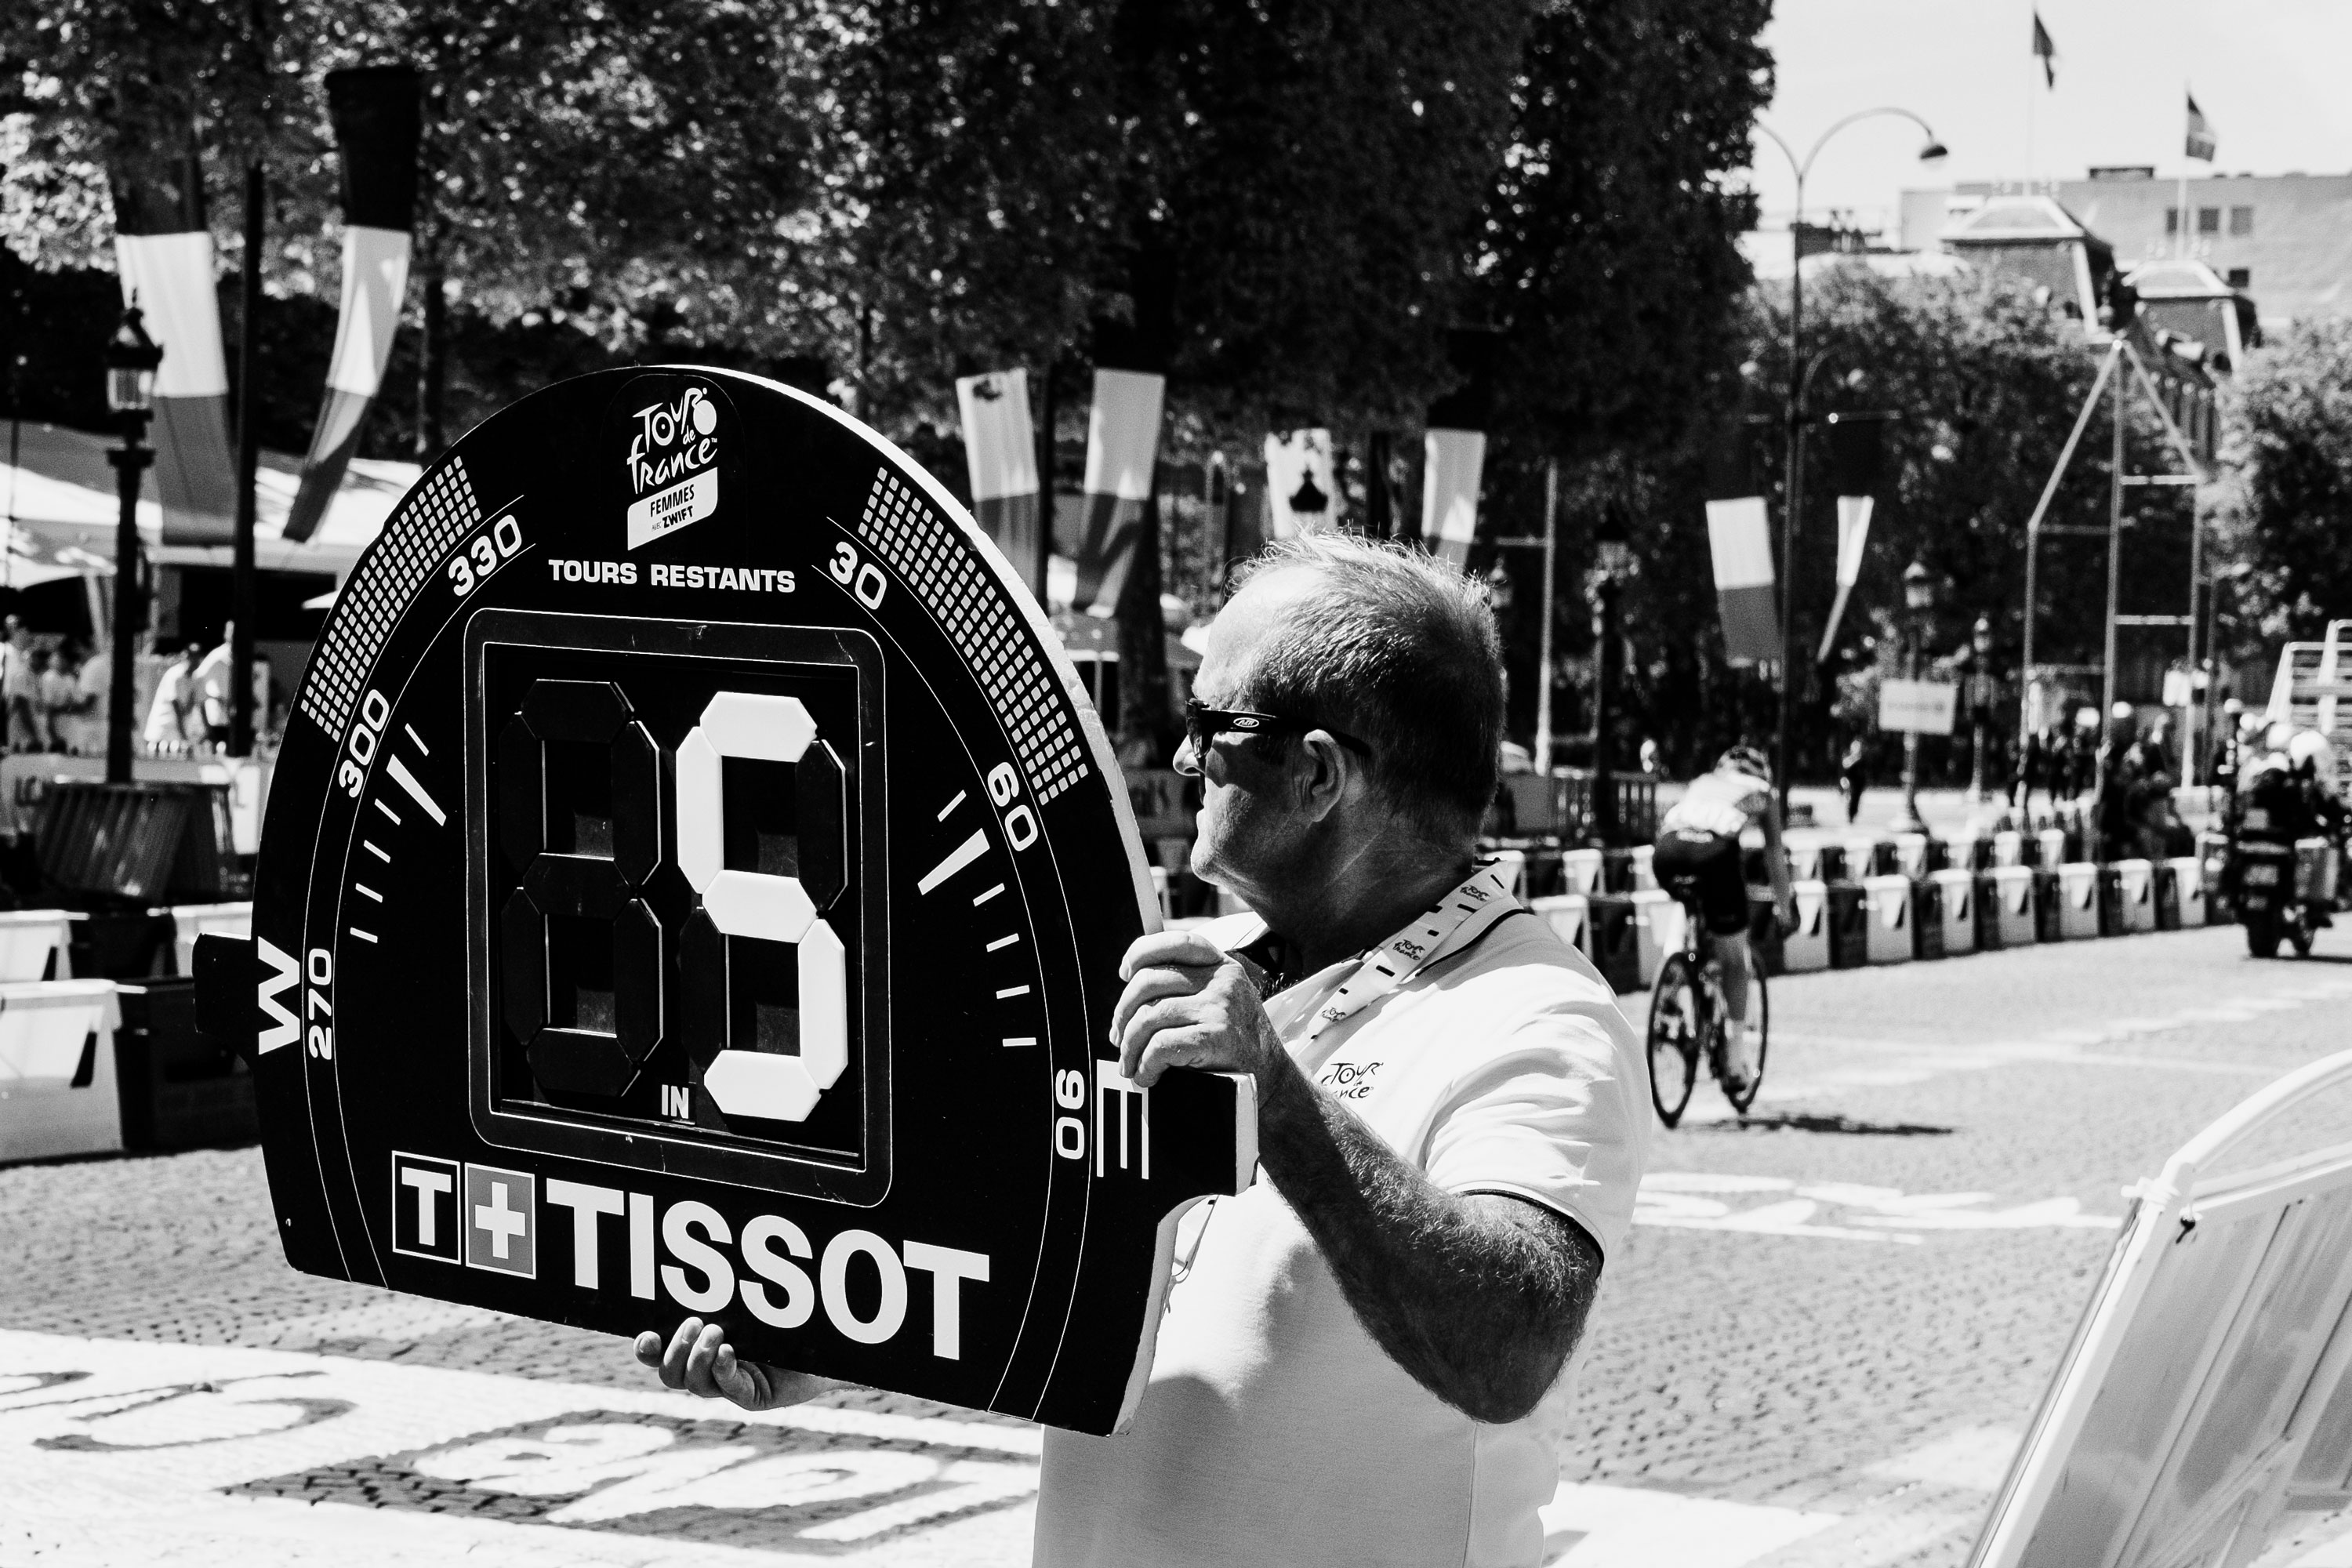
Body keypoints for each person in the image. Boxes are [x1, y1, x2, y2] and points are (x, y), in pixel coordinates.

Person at [636, 533, 1650, 1568]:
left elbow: (1507, 1353)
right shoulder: (1187, 968)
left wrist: (1280, 1103)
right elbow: (1018, 1260)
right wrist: (817, 1335)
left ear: (1316, 774)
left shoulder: (1535, 1013)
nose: (1182, 759)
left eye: (1214, 728)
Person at [1652, 746, 1793, 1093]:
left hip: (1667, 851)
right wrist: (1785, 908)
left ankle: (1670, 981)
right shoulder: (1763, 793)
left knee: (1686, 899)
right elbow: (1774, 854)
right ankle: (1734, 1061)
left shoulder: (1703, 781)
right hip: (1713, 854)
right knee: (1734, 959)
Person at [1837, 735, 1868, 825]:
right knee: (1851, 798)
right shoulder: (1848, 755)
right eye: (1856, 746)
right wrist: (1854, 758)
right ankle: (1850, 815)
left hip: (1859, 781)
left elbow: (1865, 770)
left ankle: (1854, 813)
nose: (1858, 748)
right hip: (1849, 780)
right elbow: (1845, 766)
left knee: (1856, 798)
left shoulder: (1863, 757)